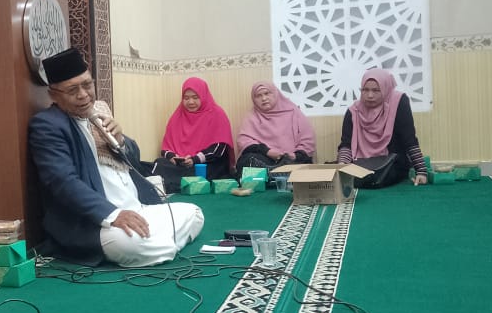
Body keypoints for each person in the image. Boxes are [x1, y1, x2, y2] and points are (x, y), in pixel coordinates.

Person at [28, 48, 204, 268]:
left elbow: (134, 161)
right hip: (98, 222)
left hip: (137, 209)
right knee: (132, 244)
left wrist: (120, 141)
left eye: (87, 85)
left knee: (194, 213)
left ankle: (160, 246)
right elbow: (62, 181)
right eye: (72, 90)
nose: (83, 95)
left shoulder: (99, 114)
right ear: (54, 95)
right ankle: (162, 245)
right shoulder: (48, 125)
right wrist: (113, 215)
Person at [336, 68, 428, 187]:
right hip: (361, 164)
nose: (370, 95)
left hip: (391, 163)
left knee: (378, 180)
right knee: (349, 179)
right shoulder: (354, 111)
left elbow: (409, 138)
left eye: (376, 90)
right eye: (365, 90)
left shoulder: (398, 103)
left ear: (385, 89)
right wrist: (343, 166)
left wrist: (421, 171)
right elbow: (346, 144)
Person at [153, 77, 234, 187]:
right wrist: (173, 157)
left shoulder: (217, 114)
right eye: (186, 98)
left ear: (203, 96)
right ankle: (181, 182)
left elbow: (219, 149)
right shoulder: (177, 116)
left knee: (205, 170)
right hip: (182, 165)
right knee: (159, 163)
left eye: (195, 97)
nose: (190, 102)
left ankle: (176, 182)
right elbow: (165, 149)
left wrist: (195, 159)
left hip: (207, 163)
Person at [235, 81, 316, 170]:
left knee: (304, 161)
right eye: (259, 96)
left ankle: (275, 172)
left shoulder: (293, 112)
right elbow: (244, 142)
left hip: (292, 160)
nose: (264, 98)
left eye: (267, 93)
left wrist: (293, 155)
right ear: (254, 100)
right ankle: (275, 171)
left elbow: (307, 140)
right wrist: (268, 152)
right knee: (246, 160)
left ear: (275, 94)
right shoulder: (252, 117)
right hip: (266, 160)